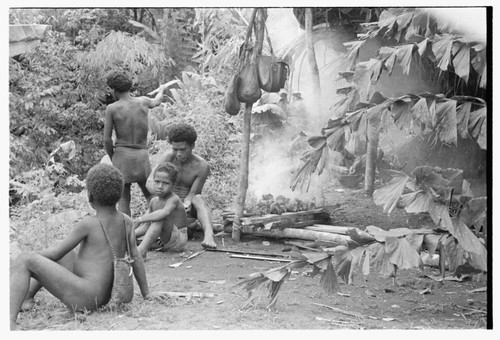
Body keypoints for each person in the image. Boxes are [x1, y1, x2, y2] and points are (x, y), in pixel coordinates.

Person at [10, 163, 165, 330]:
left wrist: (30, 256)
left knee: (25, 260)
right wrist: (146, 293)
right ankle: (27, 297)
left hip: (86, 297)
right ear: (119, 194)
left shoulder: (88, 224)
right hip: (106, 296)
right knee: (59, 247)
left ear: (90, 196)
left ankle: (8, 322)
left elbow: (54, 255)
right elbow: (136, 258)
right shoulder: (126, 221)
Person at [104, 71, 169, 216]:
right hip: (141, 155)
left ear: (114, 89)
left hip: (122, 156)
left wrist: (112, 156)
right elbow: (157, 101)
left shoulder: (112, 108)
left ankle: (128, 234)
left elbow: (107, 139)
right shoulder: (143, 101)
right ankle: (158, 225)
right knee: (150, 194)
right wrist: (162, 89)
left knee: (124, 199)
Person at [147, 123, 217, 249]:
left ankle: (209, 235)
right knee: (155, 201)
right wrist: (165, 197)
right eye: (175, 149)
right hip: (166, 209)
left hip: (186, 213)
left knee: (198, 199)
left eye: (183, 149)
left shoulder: (201, 166)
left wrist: (185, 204)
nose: (178, 154)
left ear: (192, 146)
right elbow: (150, 182)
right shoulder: (167, 158)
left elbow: (193, 193)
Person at [134, 162, 188, 258]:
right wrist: (131, 234)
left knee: (160, 219)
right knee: (131, 235)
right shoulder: (154, 201)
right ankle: (138, 245)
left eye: (165, 183)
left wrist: (140, 219)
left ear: (173, 185)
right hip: (164, 240)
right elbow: (146, 226)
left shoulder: (173, 199)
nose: (160, 186)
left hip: (178, 241)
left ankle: (141, 250)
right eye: (157, 181)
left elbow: (164, 213)